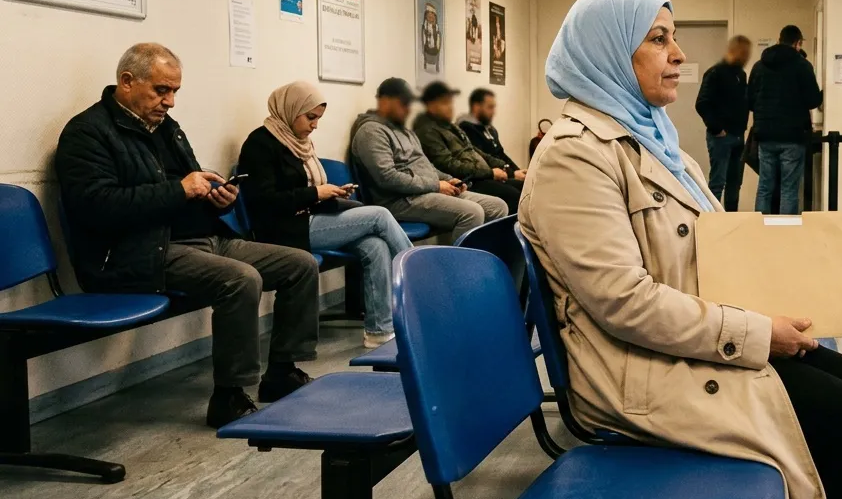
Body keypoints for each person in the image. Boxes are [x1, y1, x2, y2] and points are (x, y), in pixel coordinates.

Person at [518, 0, 842, 499]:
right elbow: (625, 303)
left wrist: (792, 279)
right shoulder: (574, 156)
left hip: (689, 338)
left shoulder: (656, 141)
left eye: (674, 37)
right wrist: (757, 330)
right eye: (658, 39)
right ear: (607, 52)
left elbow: (718, 244)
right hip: (633, 371)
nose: (678, 54)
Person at [55, 44, 319, 428]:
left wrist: (219, 199)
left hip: (203, 237)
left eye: (175, 91)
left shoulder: (167, 129)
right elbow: (97, 206)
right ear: (127, 82)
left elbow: (192, 187)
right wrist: (181, 190)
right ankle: (229, 395)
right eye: (162, 90)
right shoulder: (87, 133)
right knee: (240, 279)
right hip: (138, 250)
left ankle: (281, 371)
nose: (170, 102)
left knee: (300, 264)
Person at [238, 82, 412, 350]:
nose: (315, 125)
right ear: (290, 109)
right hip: (282, 228)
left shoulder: (298, 142)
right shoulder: (260, 144)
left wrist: (330, 194)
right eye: (310, 117)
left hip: (309, 218)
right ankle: (423, 282)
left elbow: (304, 190)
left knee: (375, 246)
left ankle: (379, 331)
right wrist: (315, 193)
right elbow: (263, 202)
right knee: (379, 216)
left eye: (318, 119)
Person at [350, 78, 507, 241]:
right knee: (472, 213)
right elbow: (387, 178)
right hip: (399, 200)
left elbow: (426, 165)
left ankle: (484, 260)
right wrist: (436, 185)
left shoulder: (404, 130)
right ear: (384, 102)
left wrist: (449, 180)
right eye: (402, 103)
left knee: (497, 207)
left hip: (426, 191)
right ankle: (458, 265)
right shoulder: (371, 132)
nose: (407, 109)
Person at [413, 81, 522, 213]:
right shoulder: (427, 131)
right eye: (445, 103)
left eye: (450, 102)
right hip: (467, 181)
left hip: (480, 176)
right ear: (431, 106)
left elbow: (475, 150)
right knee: (513, 195)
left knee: (523, 187)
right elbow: (448, 165)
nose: (450, 107)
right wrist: (490, 173)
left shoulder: (450, 126)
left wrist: (505, 168)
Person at [749, 25, 822, 215]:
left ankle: (760, 230)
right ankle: (786, 233)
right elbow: (813, 100)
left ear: (779, 39)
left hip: (765, 135)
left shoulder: (759, 66)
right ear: (798, 43)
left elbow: (749, 101)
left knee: (765, 186)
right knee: (789, 189)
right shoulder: (803, 66)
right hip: (793, 135)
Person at [695, 34, 751, 211]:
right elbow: (702, 103)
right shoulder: (715, 73)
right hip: (721, 137)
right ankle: (714, 219)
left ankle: (731, 219)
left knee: (735, 183)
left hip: (738, 135)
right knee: (718, 182)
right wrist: (717, 128)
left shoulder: (741, 75)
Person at [459, 88, 525, 178]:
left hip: (503, 172)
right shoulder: (466, 128)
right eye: (490, 107)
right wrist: (512, 174)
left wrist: (518, 170)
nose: (494, 112)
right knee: (520, 190)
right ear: (476, 107)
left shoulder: (490, 129)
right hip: (486, 177)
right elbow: (482, 159)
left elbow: (501, 154)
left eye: (494, 107)